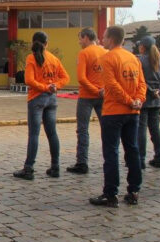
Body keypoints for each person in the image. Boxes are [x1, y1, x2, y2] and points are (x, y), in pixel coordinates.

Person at [89, 25, 147, 207]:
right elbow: (142, 83)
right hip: (132, 112)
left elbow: (112, 85)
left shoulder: (108, 58)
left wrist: (130, 100)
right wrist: (138, 100)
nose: (102, 40)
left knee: (111, 152)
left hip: (114, 111)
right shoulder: (133, 58)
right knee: (133, 150)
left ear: (111, 39)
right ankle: (134, 190)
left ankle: (110, 193)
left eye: (104, 37)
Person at [14, 32, 69, 180]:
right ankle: (55, 166)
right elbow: (66, 77)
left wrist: (44, 87)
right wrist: (54, 86)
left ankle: (29, 168)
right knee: (52, 133)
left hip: (36, 98)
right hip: (51, 99)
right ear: (47, 43)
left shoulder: (31, 58)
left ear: (33, 42)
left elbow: (29, 80)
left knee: (34, 134)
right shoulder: (54, 58)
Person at [67, 28, 107, 175]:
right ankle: (109, 159)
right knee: (107, 129)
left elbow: (82, 78)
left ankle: (82, 163)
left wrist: (95, 90)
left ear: (86, 38)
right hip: (103, 95)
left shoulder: (84, 53)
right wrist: (102, 90)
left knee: (83, 130)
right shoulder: (105, 52)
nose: (79, 42)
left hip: (87, 96)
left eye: (80, 38)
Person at [137, 36, 160, 169]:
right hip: (156, 101)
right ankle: (158, 156)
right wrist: (158, 91)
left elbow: (140, 79)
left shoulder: (140, 60)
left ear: (143, 47)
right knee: (155, 130)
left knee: (141, 130)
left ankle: (141, 159)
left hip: (144, 99)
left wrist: (150, 91)